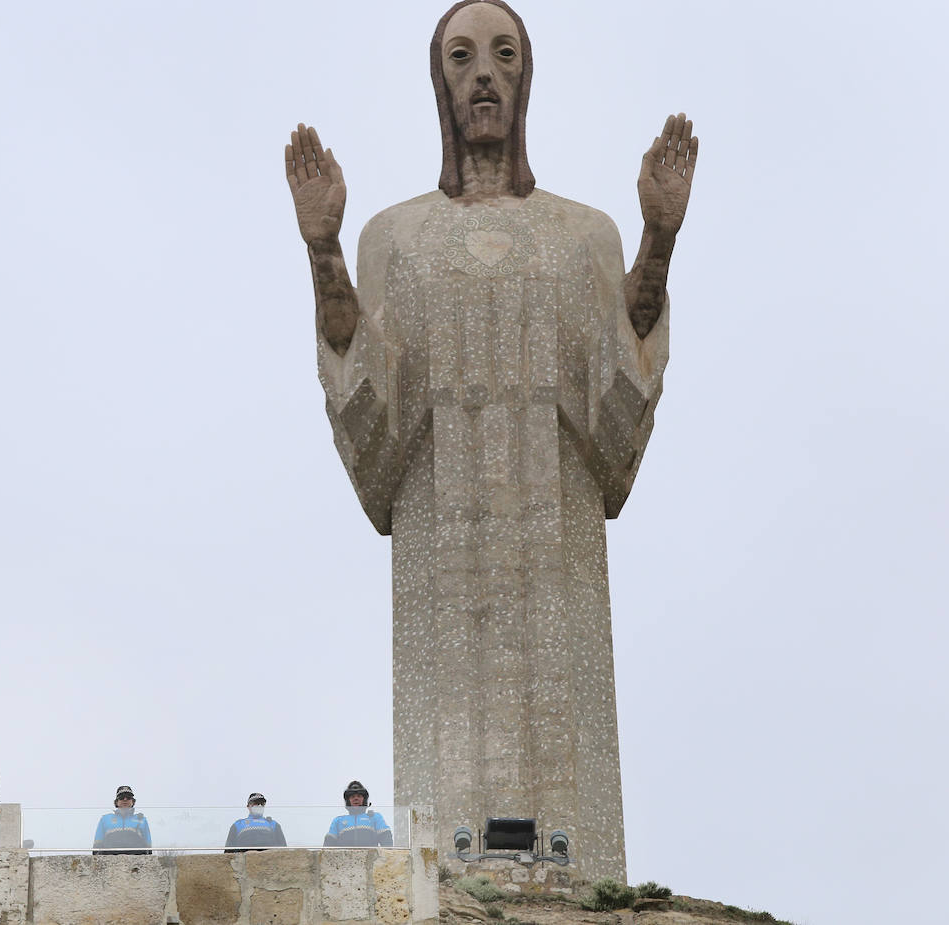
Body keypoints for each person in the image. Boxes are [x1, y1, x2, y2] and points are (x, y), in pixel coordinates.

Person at [284, 0, 696, 875]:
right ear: (440, 81)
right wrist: (323, 251)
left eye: (502, 55)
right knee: (449, 835)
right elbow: (364, 384)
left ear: (524, 79)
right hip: (442, 545)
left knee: (573, 822)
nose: (482, 73)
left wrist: (658, 239)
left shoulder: (585, 233)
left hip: (560, 542)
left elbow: (618, 384)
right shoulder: (393, 236)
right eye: (463, 56)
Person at [323, 781, 392, 847]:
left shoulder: (374, 817)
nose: (356, 798)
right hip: (344, 858)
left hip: (370, 858)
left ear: (364, 800)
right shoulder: (338, 821)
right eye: (352, 796)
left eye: (359, 796)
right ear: (348, 801)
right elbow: (329, 844)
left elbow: (386, 839)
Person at [92, 785, 152, 854]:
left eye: (128, 797)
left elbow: (148, 845)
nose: (125, 799)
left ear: (133, 802)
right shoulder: (105, 819)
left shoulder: (141, 820)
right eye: (121, 797)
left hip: (136, 857)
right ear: (116, 802)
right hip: (110, 857)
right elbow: (97, 843)